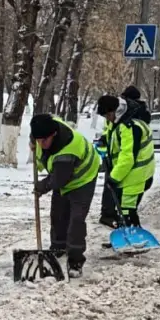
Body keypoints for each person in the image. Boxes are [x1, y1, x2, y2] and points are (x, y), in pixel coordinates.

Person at [30, 114, 100, 278]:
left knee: (76, 219)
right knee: (58, 214)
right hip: (62, 175)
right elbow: (44, 153)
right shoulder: (44, 129)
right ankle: (58, 247)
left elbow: (58, 179)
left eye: (44, 141)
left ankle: (75, 260)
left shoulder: (68, 149)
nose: (41, 144)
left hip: (83, 179)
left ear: (53, 135)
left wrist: (42, 186)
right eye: (37, 139)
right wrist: (34, 142)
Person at [96, 95, 155, 227]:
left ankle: (133, 240)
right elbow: (113, 134)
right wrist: (105, 139)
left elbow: (127, 158)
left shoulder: (129, 127)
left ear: (114, 111)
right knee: (124, 211)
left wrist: (114, 178)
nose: (107, 119)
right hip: (129, 175)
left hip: (135, 176)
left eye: (107, 115)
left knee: (127, 211)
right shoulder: (121, 120)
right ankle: (127, 237)